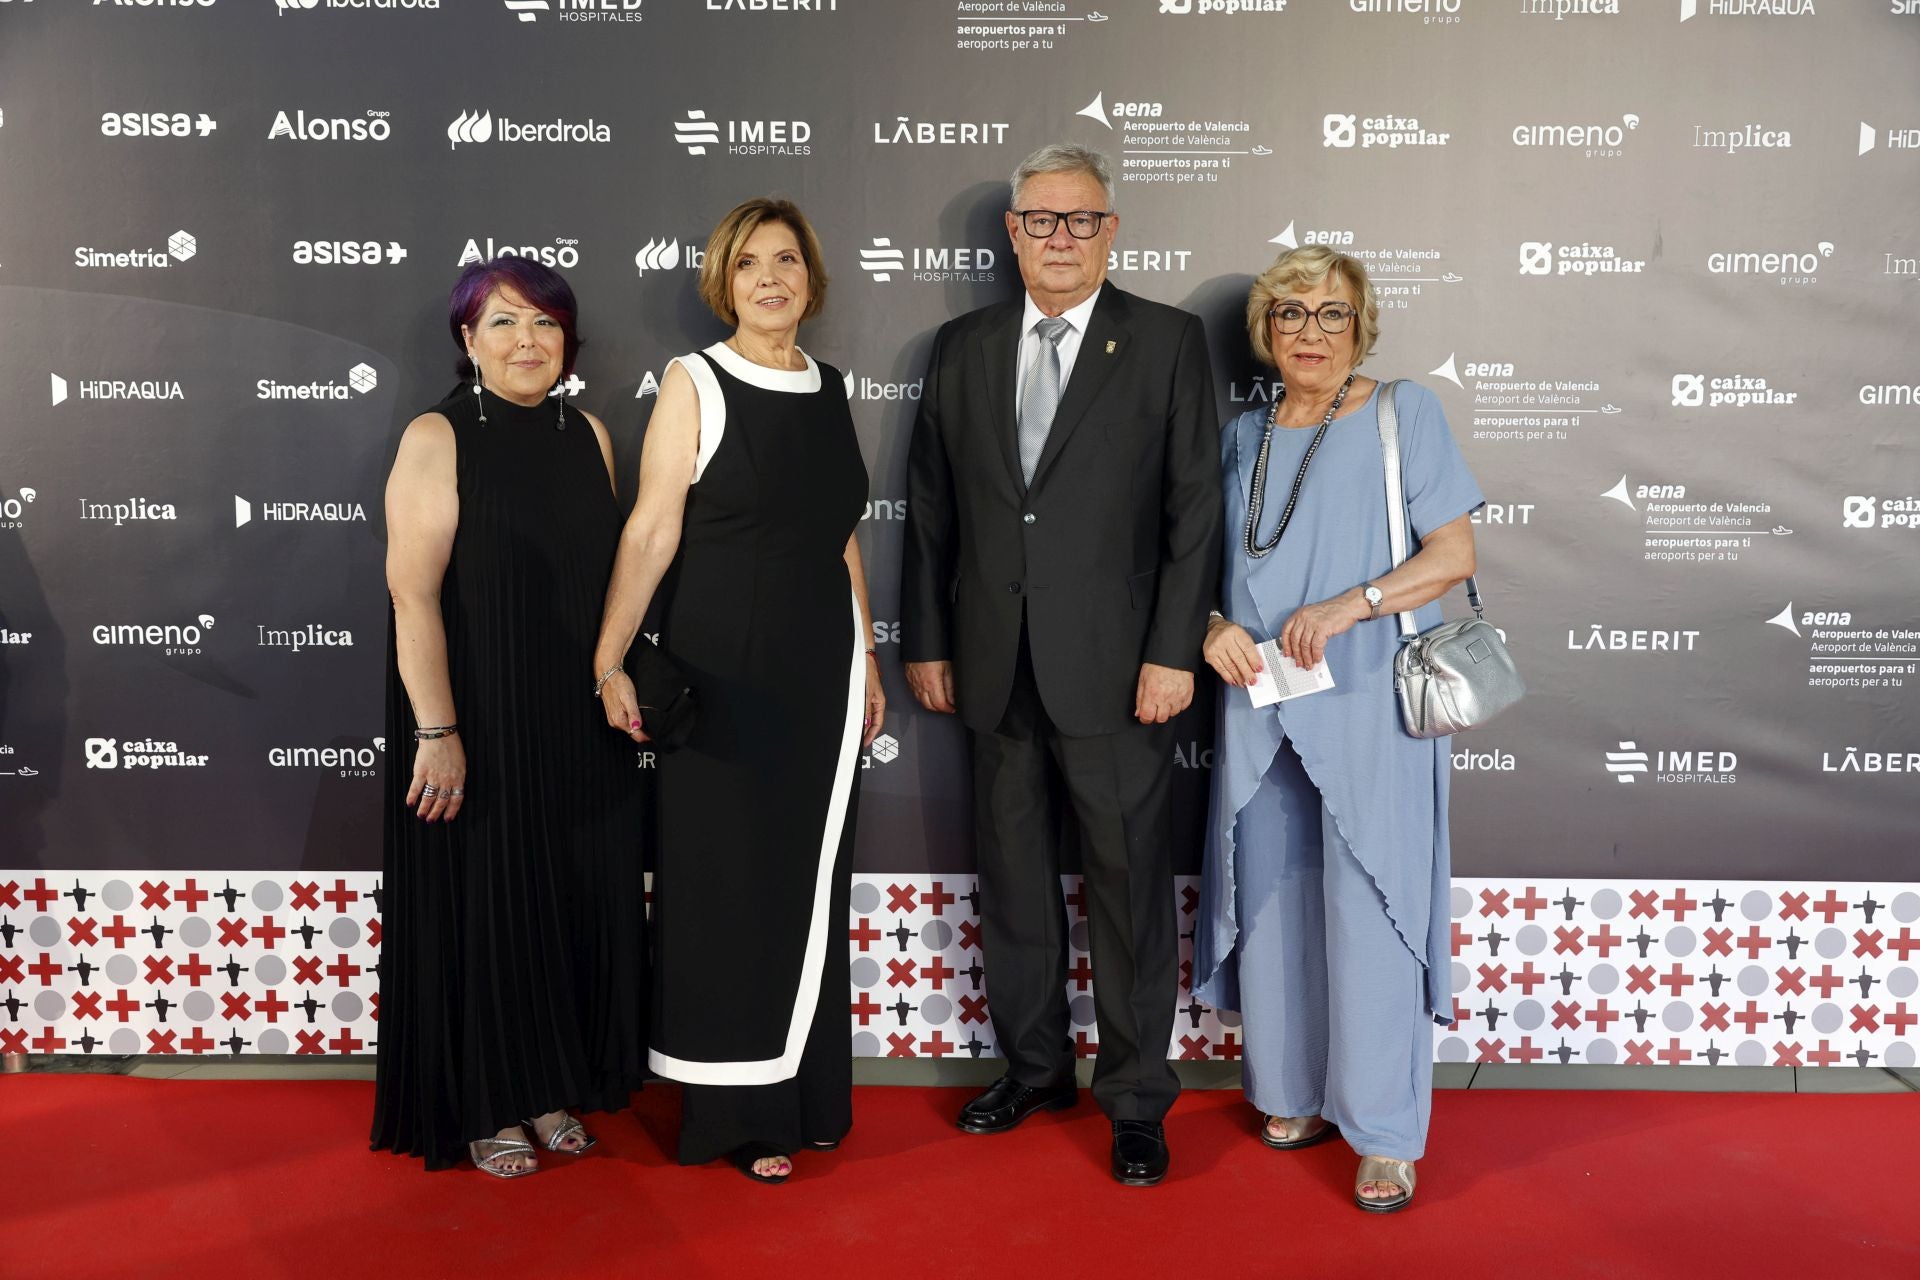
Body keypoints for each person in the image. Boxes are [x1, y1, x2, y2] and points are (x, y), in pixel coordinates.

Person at [901, 143, 1221, 1187]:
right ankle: (1035, 1068)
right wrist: (930, 639)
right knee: (1014, 886)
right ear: (1012, 232)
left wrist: (1175, 651)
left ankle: (1134, 1097)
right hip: (992, 666)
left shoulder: (1167, 342)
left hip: (1123, 672)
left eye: (1081, 220)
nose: (1060, 239)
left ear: (1112, 229)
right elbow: (934, 512)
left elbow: (1193, 514)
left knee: (1128, 889)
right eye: (1041, 219)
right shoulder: (959, 346)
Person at [593, 198, 881, 1185]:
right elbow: (650, 530)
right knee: (728, 882)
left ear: (811, 277)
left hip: (821, 677)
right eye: (750, 262)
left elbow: (840, 531)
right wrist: (609, 655)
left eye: (787, 260)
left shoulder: (829, 383)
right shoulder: (697, 381)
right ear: (725, 280)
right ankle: (737, 1113)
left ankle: (808, 1096)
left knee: (806, 883)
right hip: (721, 676)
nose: (771, 277)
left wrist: (870, 656)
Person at [1192, 246, 1483, 1213]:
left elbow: (1452, 555)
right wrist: (1213, 628)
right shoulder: (1239, 436)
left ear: (1361, 325)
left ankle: (1387, 1131)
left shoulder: (1407, 413)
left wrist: (1353, 604)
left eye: (1330, 313)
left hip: (1366, 699)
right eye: (1289, 314)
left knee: (1374, 905)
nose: (1309, 331)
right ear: (1264, 329)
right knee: (1273, 900)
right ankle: (1290, 1093)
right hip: (1259, 701)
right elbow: (1203, 572)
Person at [371, 257, 648, 1177]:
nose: (526, 341)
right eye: (502, 323)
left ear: (567, 338)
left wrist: (611, 671)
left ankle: (547, 1086)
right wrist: (438, 734)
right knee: (490, 910)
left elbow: (609, 577)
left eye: (543, 323)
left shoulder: (589, 433)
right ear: (466, 339)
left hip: (577, 724)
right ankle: (485, 1101)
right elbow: (412, 600)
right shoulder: (436, 438)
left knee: (566, 904)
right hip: (480, 721)